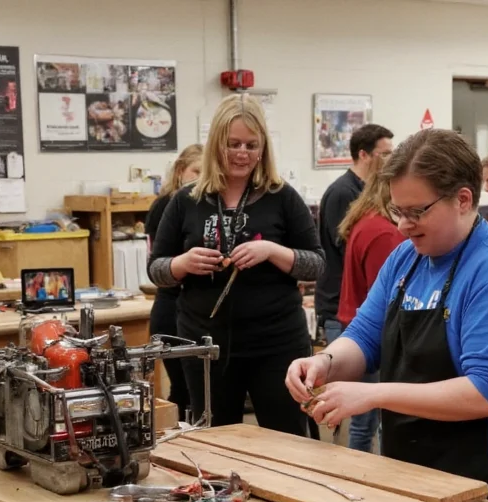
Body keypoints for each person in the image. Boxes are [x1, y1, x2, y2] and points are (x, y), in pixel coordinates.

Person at [287, 128, 488, 502]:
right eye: (397, 211)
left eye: (417, 211)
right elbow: (364, 336)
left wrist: (373, 394)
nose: (403, 225)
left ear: (462, 199)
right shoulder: (406, 260)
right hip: (415, 480)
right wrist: (325, 363)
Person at [148, 93, 324, 436]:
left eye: (251, 145)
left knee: (288, 440)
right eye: (233, 144)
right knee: (217, 442)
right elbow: (157, 269)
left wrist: (272, 251)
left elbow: (316, 265)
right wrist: (182, 263)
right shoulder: (186, 201)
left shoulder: (282, 197)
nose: (242, 153)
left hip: (276, 344)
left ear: (263, 149)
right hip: (205, 347)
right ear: (215, 145)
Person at [335, 155, 405, 452]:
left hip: (352, 322)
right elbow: (391, 301)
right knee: (369, 423)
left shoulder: (366, 222)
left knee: (363, 420)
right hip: (368, 333)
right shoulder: (384, 233)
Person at [315, 124, 394, 345]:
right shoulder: (343, 193)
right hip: (339, 308)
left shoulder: (363, 192)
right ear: (363, 154)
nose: (390, 160)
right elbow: (349, 251)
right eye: (385, 154)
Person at [144, 143, 202, 421]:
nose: (201, 178)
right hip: (172, 308)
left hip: (187, 309)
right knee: (184, 391)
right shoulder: (169, 205)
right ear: (180, 171)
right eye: (196, 171)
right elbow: (159, 264)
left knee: (191, 391)